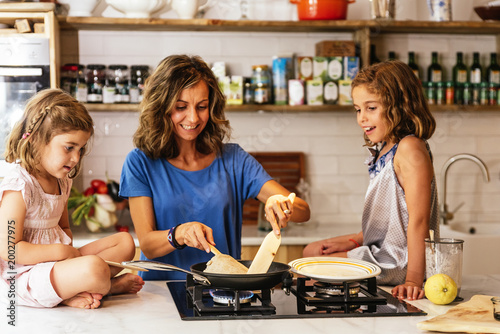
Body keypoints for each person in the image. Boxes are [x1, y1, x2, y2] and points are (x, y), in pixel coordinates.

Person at [119, 54, 310, 280]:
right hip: (162, 294)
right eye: (181, 107)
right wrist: (179, 233)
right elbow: (148, 245)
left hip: (224, 293)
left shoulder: (233, 159)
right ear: (161, 107)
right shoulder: (140, 163)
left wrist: (282, 203)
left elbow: (303, 211)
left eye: (202, 106)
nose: (193, 117)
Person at [302, 60, 439, 301]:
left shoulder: (410, 149)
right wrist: (354, 239)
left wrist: (414, 280)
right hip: (385, 251)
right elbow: (391, 221)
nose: (362, 118)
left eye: (371, 108)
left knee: (310, 269)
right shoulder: (385, 149)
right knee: (311, 251)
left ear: (400, 105)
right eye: (358, 109)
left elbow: (419, 222)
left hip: (400, 261)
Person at [0, 89, 144, 309]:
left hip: (58, 266)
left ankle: (80, 286)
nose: (76, 158)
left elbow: (64, 228)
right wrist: (59, 252)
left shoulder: (62, 181)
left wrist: (68, 258)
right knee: (94, 268)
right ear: (38, 139)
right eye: (69, 147)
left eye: (81, 148)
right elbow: (9, 249)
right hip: (23, 275)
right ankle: (106, 287)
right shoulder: (19, 184)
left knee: (125, 243)